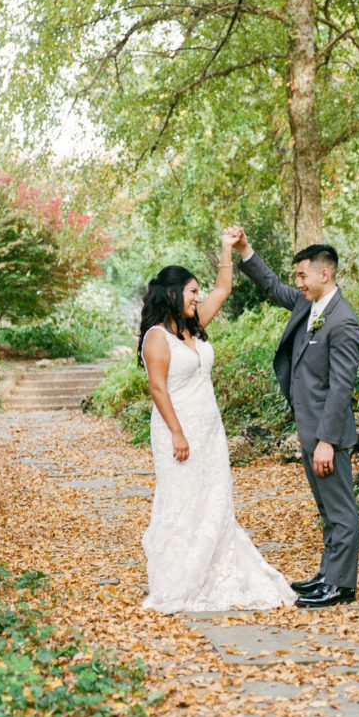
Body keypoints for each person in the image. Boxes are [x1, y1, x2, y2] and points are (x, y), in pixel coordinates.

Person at [138, 226, 296, 613]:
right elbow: (158, 389)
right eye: (192, 291)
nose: (198, 297)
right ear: (173, 294)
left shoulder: (194, 326)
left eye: (197, 292)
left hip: (209, 431)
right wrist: (177, 433)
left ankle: (218, 571)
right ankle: (179, 579)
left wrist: (228, 247)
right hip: (178, 431)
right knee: (182, 502)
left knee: (214, 502)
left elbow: (223, 290)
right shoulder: (157, 338)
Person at [235, 231, 359, 609]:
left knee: (340, 510)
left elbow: (341, 388)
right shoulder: (308, 306)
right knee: (326, 509)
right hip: (308, 430)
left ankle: (341, 586)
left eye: (303, 276)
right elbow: (272, 287)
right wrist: (245, 249)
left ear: (325, 274)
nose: (298, 283)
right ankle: (328, 574)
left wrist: (327, 440)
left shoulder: (343, 322)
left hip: (327, 435)